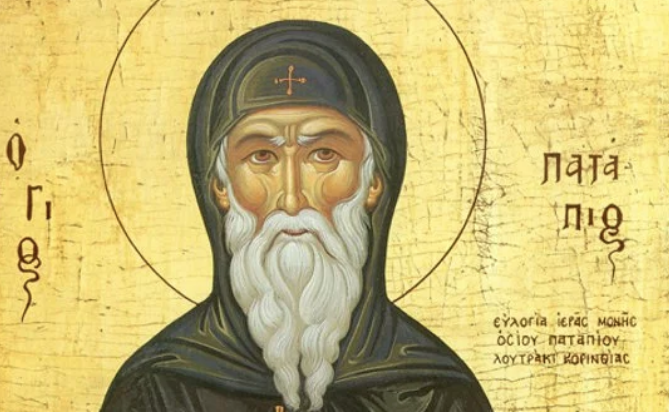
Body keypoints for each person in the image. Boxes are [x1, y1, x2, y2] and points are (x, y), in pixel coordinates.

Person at [101, 20, 492, 412]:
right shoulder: (155, 390)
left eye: (324, 155)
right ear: (220, 186)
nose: (291, 199)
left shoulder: (437, 395)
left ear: (373, 182)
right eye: (261, 156)